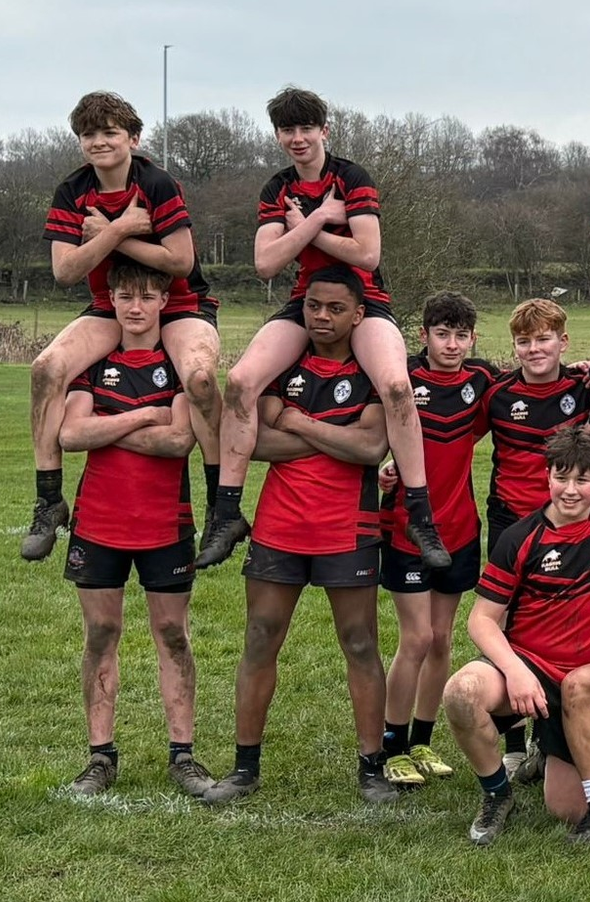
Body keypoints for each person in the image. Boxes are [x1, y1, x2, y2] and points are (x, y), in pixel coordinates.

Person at [199, 87, 448, 571]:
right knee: (240, 381)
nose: (297, 138)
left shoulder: (352, 177)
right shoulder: (277, 188)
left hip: (364, 298)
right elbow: (266, 263)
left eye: (306, 129)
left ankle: (420, 512)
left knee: (397, 386)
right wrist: (320, 219)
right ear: (277, 135)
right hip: (306, 298)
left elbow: (368, 255)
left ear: (324, 131)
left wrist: (304, 228)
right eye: (287, 130)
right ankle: (226, 512)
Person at [201, 266, 398, 805]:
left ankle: (371, 768)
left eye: (336, 308)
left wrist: (299, 422)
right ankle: (244, 768)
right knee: (261, 636)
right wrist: (336, 435)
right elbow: (254, 443)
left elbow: (370, 449)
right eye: (313, 306)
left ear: (359, 314)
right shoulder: (282, 367)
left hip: (348, 526)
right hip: (281, 523)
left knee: (359, 643)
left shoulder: (372, 372)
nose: (322, 317)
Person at [441, 427, 590, 845]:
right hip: (530, 666)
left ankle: (558, 752)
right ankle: (497, 793)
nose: (570, 490)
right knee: (461, 693)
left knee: (568, 811)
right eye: (561, 477)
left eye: (583, 479)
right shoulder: (521, 537)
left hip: (587, 678)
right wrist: (515, 670)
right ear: (547, 476)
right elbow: (481, 619)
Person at [26, 92, 221, 561]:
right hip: (107, 305)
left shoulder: (156, 183)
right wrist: (119, 229)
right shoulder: (72, 191)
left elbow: (179, 261)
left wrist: (113, 233)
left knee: (198, 378)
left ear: (133, 138)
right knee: (45, 369)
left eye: (110, 132)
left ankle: (223, 508)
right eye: (89, 134)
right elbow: (65, 271)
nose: (99, 142)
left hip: (180, 304)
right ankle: (49, 500)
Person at [53, 260, 212, 798]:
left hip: (167, 523)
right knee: (101, 635)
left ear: (165, 300)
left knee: (172, 634)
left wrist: (107, 427)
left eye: (146, 295)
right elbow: (71, 435)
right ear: (113, 301)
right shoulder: (94, 362)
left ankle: (183, 755)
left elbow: (178, 443)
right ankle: (100, 757)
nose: (136, 306)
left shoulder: (180, 360)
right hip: (99, 521)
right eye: (125, 296)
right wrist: (144, 416)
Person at [478, 297, 590, 781]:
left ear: (563, 342)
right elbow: (453, 439)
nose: (535, 349)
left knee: (567, 617)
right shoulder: (497, 393)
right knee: (504, 623)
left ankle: (568, 729)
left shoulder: (583, 387)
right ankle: (515, 741)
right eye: (525, 341)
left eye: (545, 339)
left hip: (569, 522)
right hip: (511, 521)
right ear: (514, 346)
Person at [376, 292, 498, 787]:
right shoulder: (402, 378)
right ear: (423, 335)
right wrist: (386, 470)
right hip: (408, 526)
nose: (451, 344)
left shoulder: (482, 380)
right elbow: (377, 433)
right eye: (441, 334)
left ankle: (423, 744)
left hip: (462, 527)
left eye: (461, 335)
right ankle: (393, 745)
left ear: (472, 339)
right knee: (417, 638)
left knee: (443, 639)